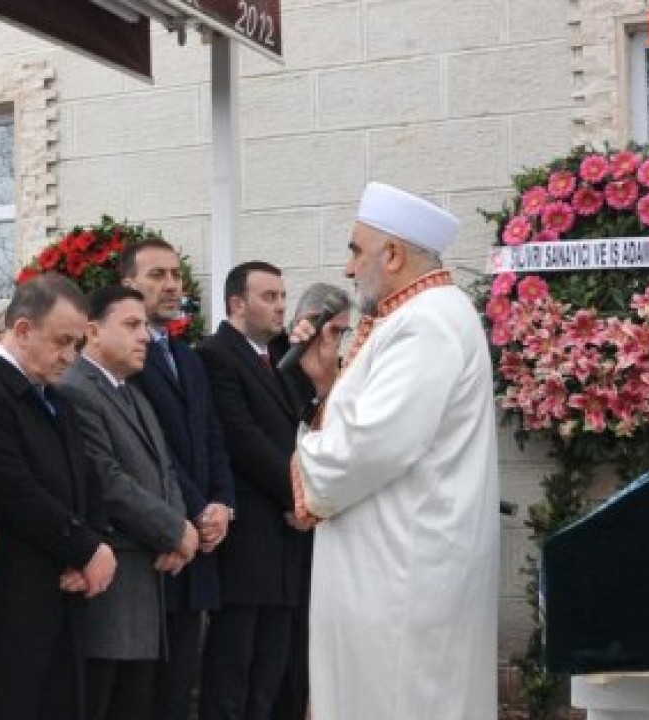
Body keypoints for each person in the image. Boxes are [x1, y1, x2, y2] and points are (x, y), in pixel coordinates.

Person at [291, 182, 500, 720]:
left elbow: (371, 445)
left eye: (356, 250)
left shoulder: (425, 323)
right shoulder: (417, 315)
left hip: (401, 573)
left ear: (392, 254)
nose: (348, 268)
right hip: (394, 562)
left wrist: (303, 459)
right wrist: (325, 386)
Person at [0, 272, 117, 720]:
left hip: (63, 588)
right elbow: (13, 490)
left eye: (77, 344)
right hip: (12, 601)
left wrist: (96, 542)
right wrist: (84, 547)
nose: (70, 357)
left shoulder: (55, 398)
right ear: (22, 330)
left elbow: (88, 480)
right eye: (62, 342)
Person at [197, 265, 345, 720]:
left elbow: (304, 422)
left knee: (271, 672)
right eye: (269, 296)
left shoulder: (281, 356)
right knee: (234, 671)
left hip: (287, 540)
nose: (282, 306)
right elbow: (243, 440)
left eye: (283, 295)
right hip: (250, 537)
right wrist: (301, 494)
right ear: (237, 304)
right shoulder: (216, 354)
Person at [61, 285, 199, 720]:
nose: (144, 336)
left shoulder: (132, 393)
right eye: (131, 325)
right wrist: (174, 531)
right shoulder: (76, 389)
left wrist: (178, 529)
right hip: (110, 595)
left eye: (144, 326)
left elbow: (164, 472)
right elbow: (108, 481)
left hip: (145, 588)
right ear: (92, 331)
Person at [119, 239, 236, 720]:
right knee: (145, 696)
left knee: (179, 686)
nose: (171, 285)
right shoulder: (126, 358)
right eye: (157, 275)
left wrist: (223, 503)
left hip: (198, 543)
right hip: (156, 544)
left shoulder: (187, 356)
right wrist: (197, 508)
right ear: (129, 284)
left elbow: (212, 435)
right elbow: (152, 451)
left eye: (175, 275)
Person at [270, 283, 352, 720]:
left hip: (328, 525)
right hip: (286, 521)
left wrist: (327, 382)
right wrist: (297, 496)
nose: (337, 343)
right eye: (333, 331)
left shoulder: (340, 374)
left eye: (343, 333)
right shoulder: (282, 363)